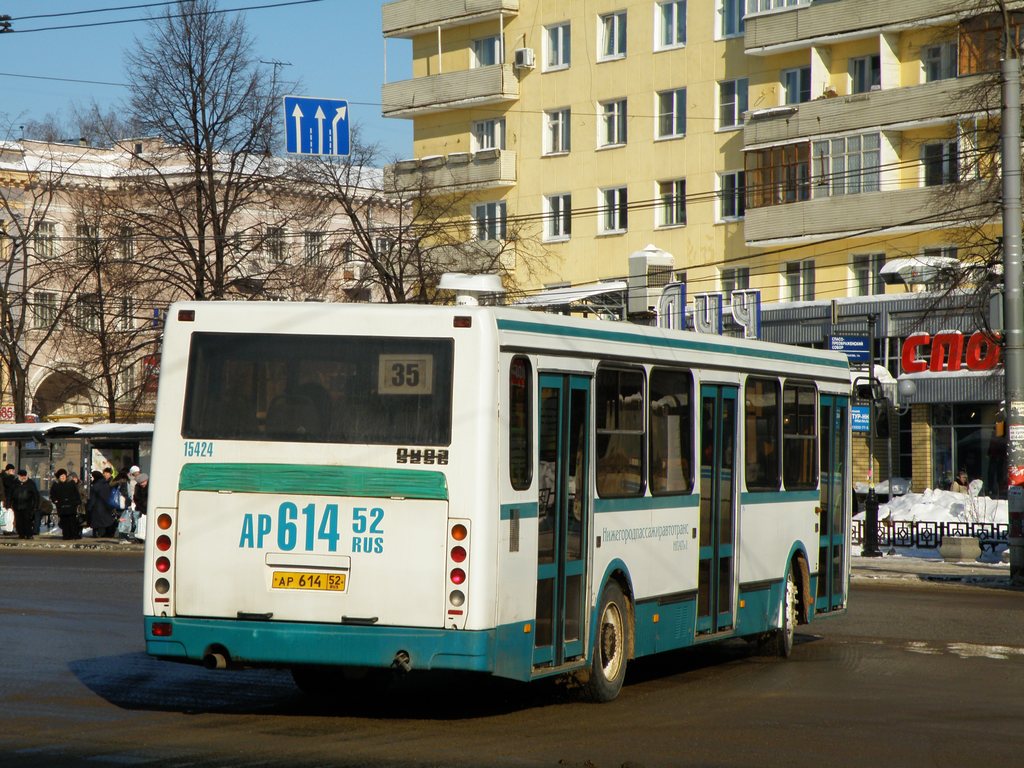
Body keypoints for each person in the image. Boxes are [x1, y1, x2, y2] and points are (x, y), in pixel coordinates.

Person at [50, 469, 82, 540]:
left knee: (72, 521)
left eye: (64, 475)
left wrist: (77, 502)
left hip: (71, 505)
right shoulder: (55, 485)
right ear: (59, 477)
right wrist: (55, 501)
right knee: (64, 522)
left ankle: (74, 535)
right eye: (61, 476)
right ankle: (66, 535)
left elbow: (76, 493)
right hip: (61, 506)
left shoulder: (71, 483)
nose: (63, 477)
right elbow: (52, 495)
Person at [10, 469, 41, 540]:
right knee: (19, 521)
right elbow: (10, 494)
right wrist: (9, 504)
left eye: (25, 476)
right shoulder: (14, 483)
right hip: (17, 505)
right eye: (22, 476)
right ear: (18, 476)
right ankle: (21, 534)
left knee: (27, 520)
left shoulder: (30, 483)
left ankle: (29, 534)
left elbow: (36, 495)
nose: (23, 477)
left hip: (27, 506)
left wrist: (36, 505)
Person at [87, 468, 118, 538]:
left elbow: (93, 498)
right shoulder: (106, 484)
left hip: (97, 507)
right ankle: (105, 534)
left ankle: (98, 535)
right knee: (105, 522)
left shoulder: (96, 486)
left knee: (98, 523)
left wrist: (89, 507)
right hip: (106, 507)